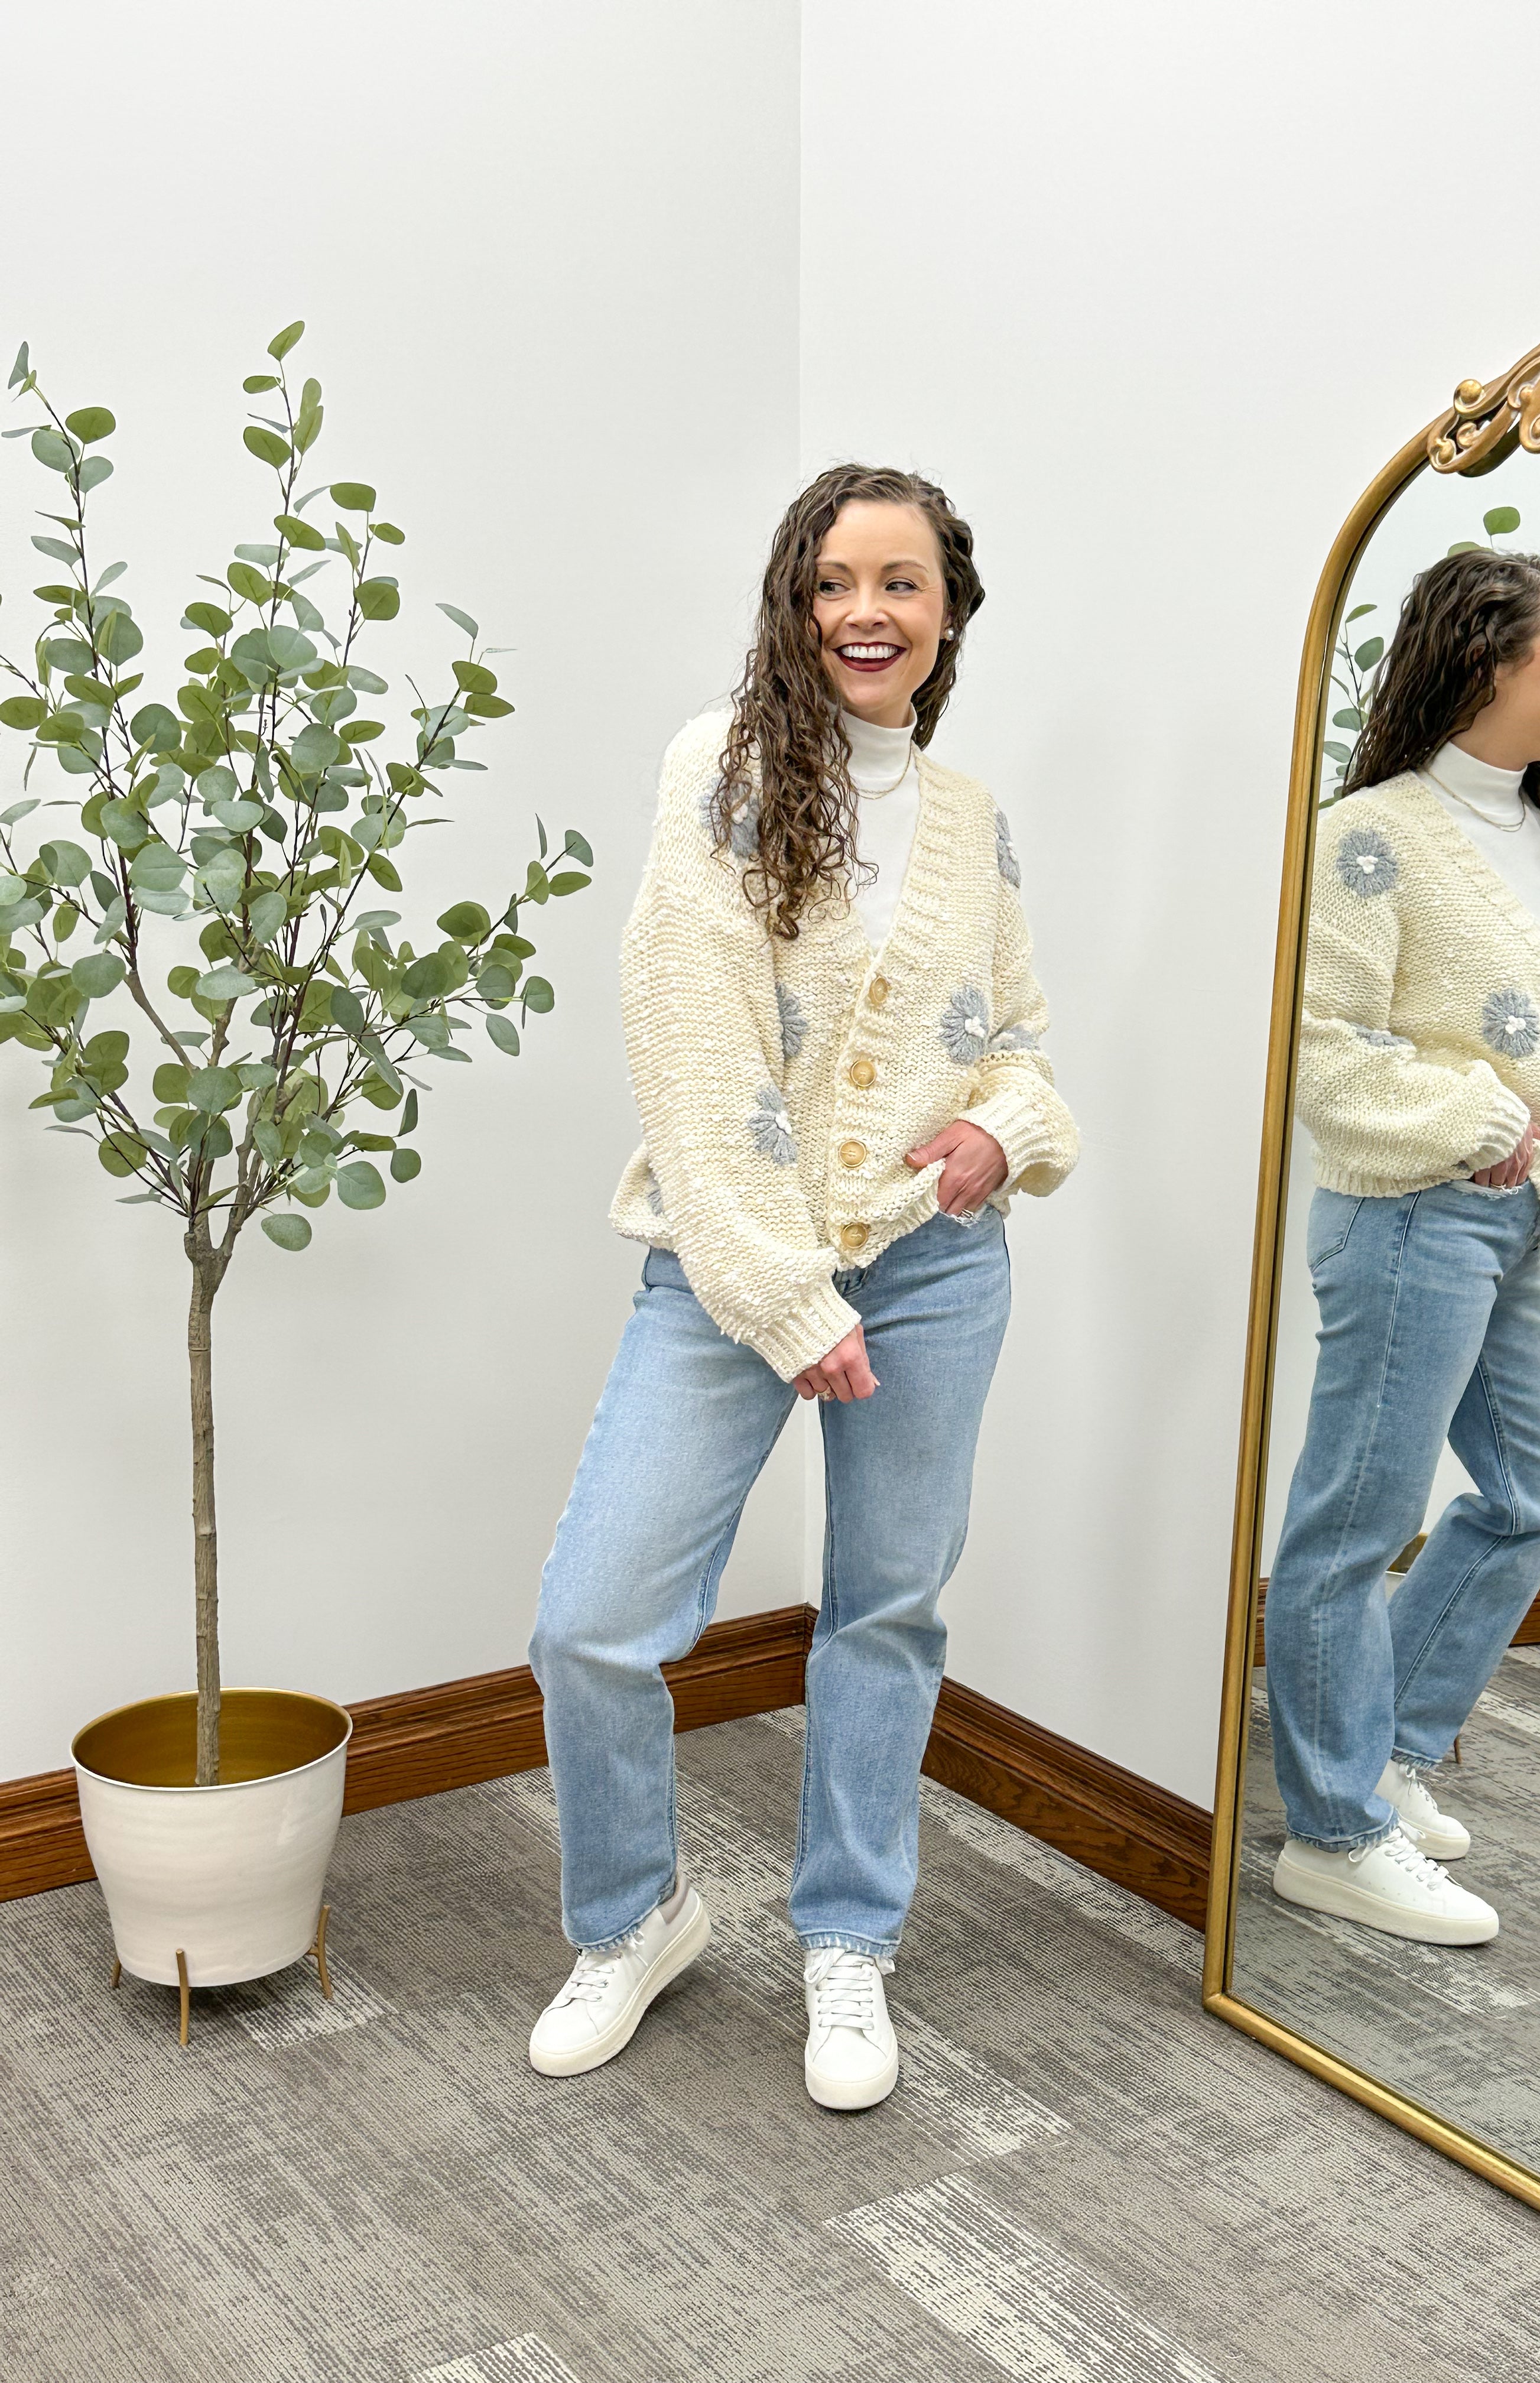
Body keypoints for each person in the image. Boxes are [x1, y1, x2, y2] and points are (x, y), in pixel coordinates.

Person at [525, 465, 1079, 2106]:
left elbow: (1021, 1039)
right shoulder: (724, 773)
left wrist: (1005, 1128)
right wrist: (785, 1296)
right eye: (836, 579)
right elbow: (688, 1050)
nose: (866, 610)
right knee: (595, 1627)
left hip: (941, 1265)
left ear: (948, 614)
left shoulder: (974, 819)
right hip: (736, 1265)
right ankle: (636, 1918)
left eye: (901, 582)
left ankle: (851, 1940)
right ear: (794, 599)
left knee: (887, 1612)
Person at [1266, 549, 1540, 1947]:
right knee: (1354, 1521)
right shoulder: (1374, 833)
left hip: (1523, 1220)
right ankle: (1332, 1831)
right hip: (1409, 1209)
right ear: (1493, 659)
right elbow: (1319, 1050)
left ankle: (1382, 1754)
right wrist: (1479, 1115)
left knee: (1536, 1493)